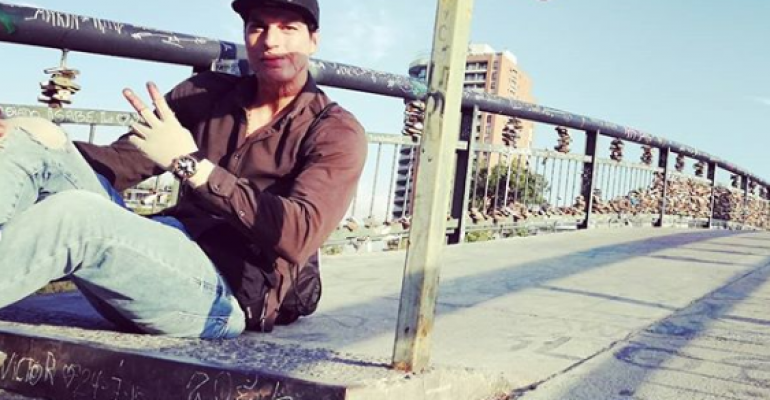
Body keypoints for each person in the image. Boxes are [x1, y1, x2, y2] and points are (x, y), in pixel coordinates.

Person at [0, 0, 367, 339]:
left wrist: (192, 165)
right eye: (258, 27)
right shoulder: (206, 94)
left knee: (77, 216)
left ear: (313, 40)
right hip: (156, 251)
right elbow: (119, 164)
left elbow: (299, 233)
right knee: (30, 141)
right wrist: (55, 143)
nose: (270, 41)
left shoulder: (335, 130)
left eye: (288, 28)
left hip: (222, 297)